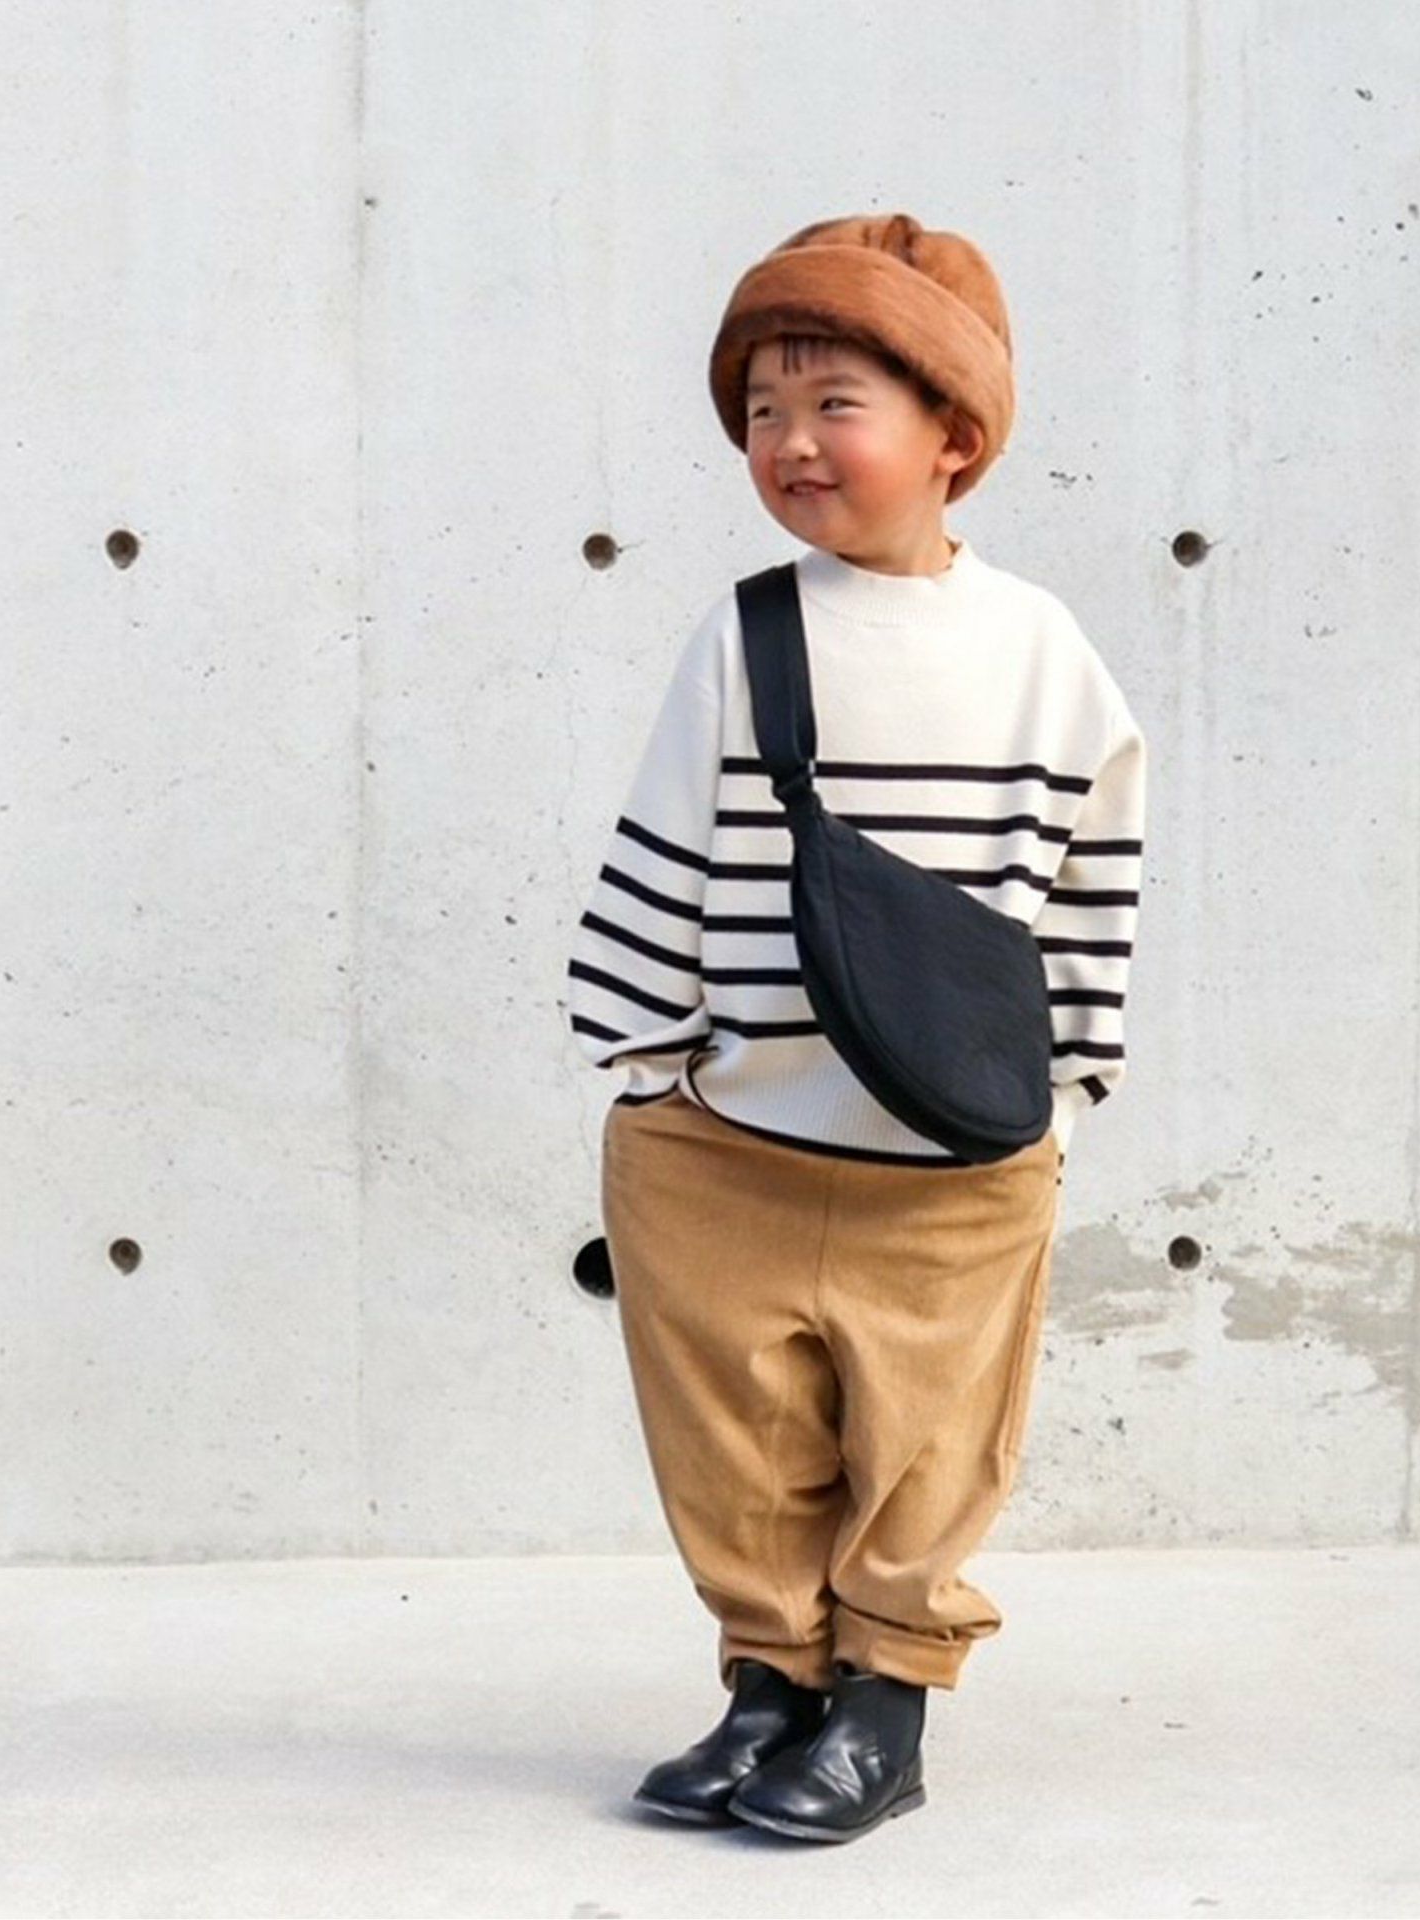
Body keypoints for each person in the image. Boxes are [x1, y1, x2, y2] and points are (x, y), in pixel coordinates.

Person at [563, 211, 1147, 1844]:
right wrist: (648, 1068)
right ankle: (772, 1686)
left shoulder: (1041, 653)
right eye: (762, 410)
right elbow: (669, 840)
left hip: (953, 1157)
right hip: (728, 1136)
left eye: (835, 404)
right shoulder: (752, 631)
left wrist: (1065, 1087)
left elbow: (1094, 875)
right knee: (733, 1435)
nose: (791, 442)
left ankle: (883, 1707)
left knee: (932, 1440)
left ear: (955, 434)